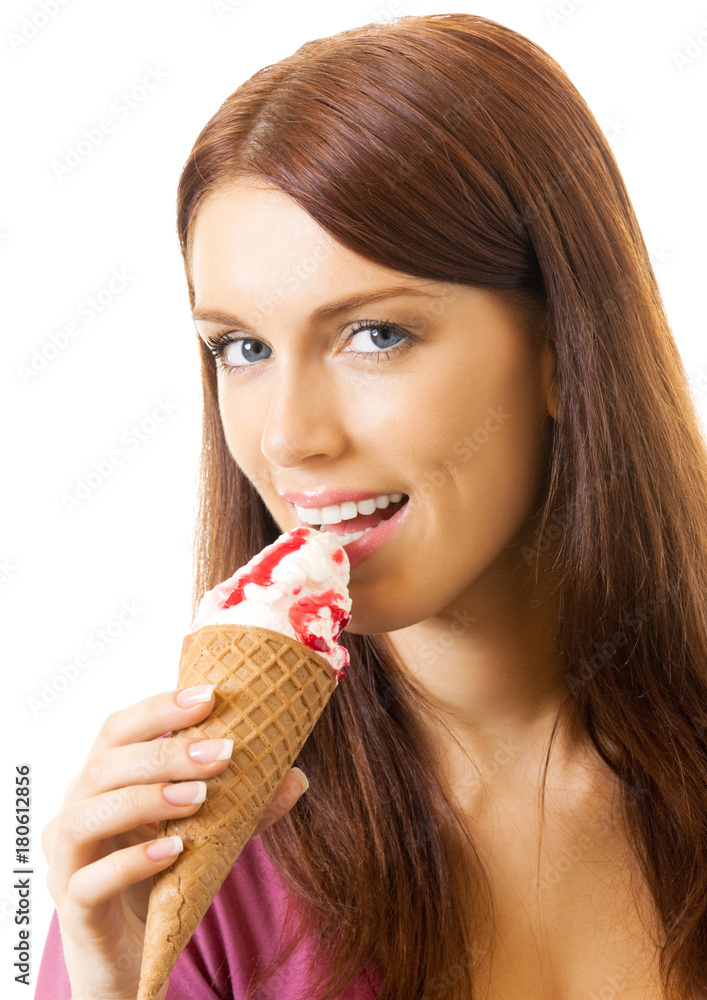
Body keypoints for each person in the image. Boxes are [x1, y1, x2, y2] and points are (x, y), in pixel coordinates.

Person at [36, 12, 707, 1000]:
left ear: (561, 349)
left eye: (375, 334)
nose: (286, 438)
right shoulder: (199, 872)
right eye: (242, 348)